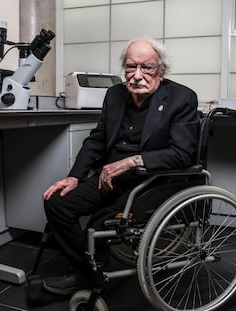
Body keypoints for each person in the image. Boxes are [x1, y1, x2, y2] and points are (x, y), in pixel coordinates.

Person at [41, 37, 200, 296]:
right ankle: (90, 271)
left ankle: (87, 274)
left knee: (101, 220)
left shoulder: (181, 98)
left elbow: (183, 154)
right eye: (130, 67)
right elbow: (97, 139)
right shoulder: (114, 95)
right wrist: (74, 177)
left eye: (146, 67)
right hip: (110, 177)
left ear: (160, 70)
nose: (137, 75)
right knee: (58, 202)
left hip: (151, 181)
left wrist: (130, 161)